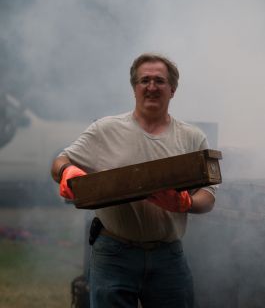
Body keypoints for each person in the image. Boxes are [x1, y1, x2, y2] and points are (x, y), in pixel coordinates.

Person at [51, 53, 216, 308]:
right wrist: (67, 172)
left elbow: (209, 197)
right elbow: (60, 161)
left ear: (172, 89)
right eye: (144, 80)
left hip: (168, 257)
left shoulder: (192, 138)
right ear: (134, 88)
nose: (151, 87)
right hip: (113, 252)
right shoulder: (105, 130)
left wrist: (186, 203)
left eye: (159, 81)